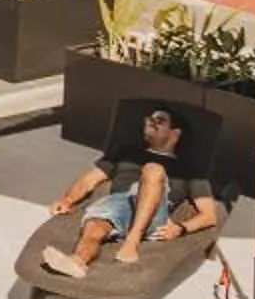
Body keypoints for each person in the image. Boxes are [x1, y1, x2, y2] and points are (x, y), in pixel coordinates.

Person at [41, 106, 221, 278]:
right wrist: (67, 200)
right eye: (149, 119)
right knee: (95, 228)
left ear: (175, 133)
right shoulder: (126, 152)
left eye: (159, 120)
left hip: (154, 213)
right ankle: (77, 262)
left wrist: (181, 228)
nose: (151, 122)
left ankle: (131, 242)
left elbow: (209, 215)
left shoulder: (189, 169)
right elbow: (91, 178)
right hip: (117, 205)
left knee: (153, 170)